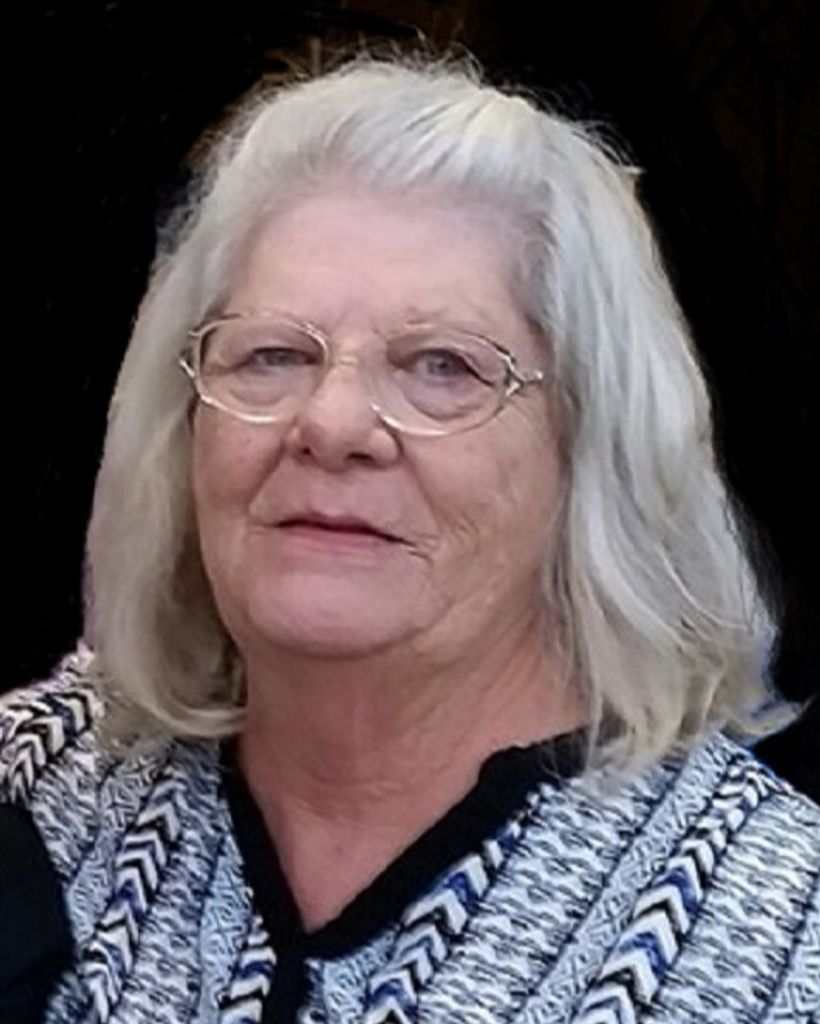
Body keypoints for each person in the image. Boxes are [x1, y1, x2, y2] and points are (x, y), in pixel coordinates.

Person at [1, 56, 817, 1024]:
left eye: (443, 367)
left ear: (592, 448)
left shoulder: (774, 938)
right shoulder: (36, 785)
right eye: (272, 355)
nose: (331, 422)